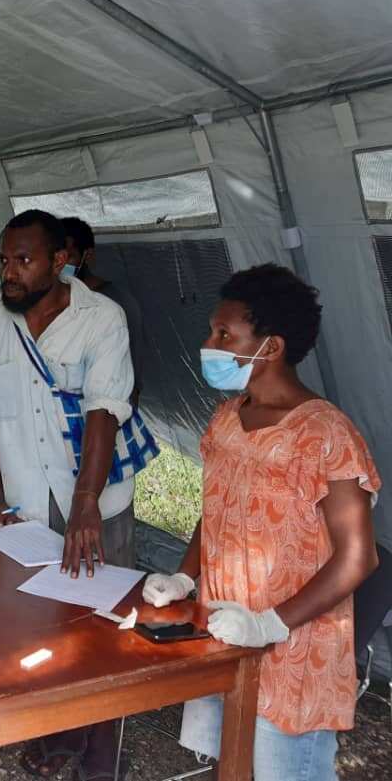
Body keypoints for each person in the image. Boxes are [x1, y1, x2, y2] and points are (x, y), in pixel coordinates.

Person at [143, 263, 380, 781]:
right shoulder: (227, 418)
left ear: (270, 348)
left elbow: (358, 556)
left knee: (286, 771)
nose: (210, 342)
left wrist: (268, 625)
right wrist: (186, 577)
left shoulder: (326, 435)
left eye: (224, 334)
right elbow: (218, 509)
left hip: (294, 648)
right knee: (232, 765)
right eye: (213, 330)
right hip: (226, 632)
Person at [0, 209, 136, 780]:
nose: (9, 272)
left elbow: (104, 409)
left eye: (23, 260)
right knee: (36, 623)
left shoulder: (101, 319)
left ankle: (99, 758)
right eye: (4, 260)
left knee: (105, 628)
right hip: (25, 502)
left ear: (60, 261)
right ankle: (55, 733)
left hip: (94, 500)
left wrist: (86, 502)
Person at [61, 216, 145, 406]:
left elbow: (131, 374)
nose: (59, 265)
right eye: (55, 256)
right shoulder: (50, 302)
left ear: (87, 256)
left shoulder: (118, 303)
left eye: (68, 257)